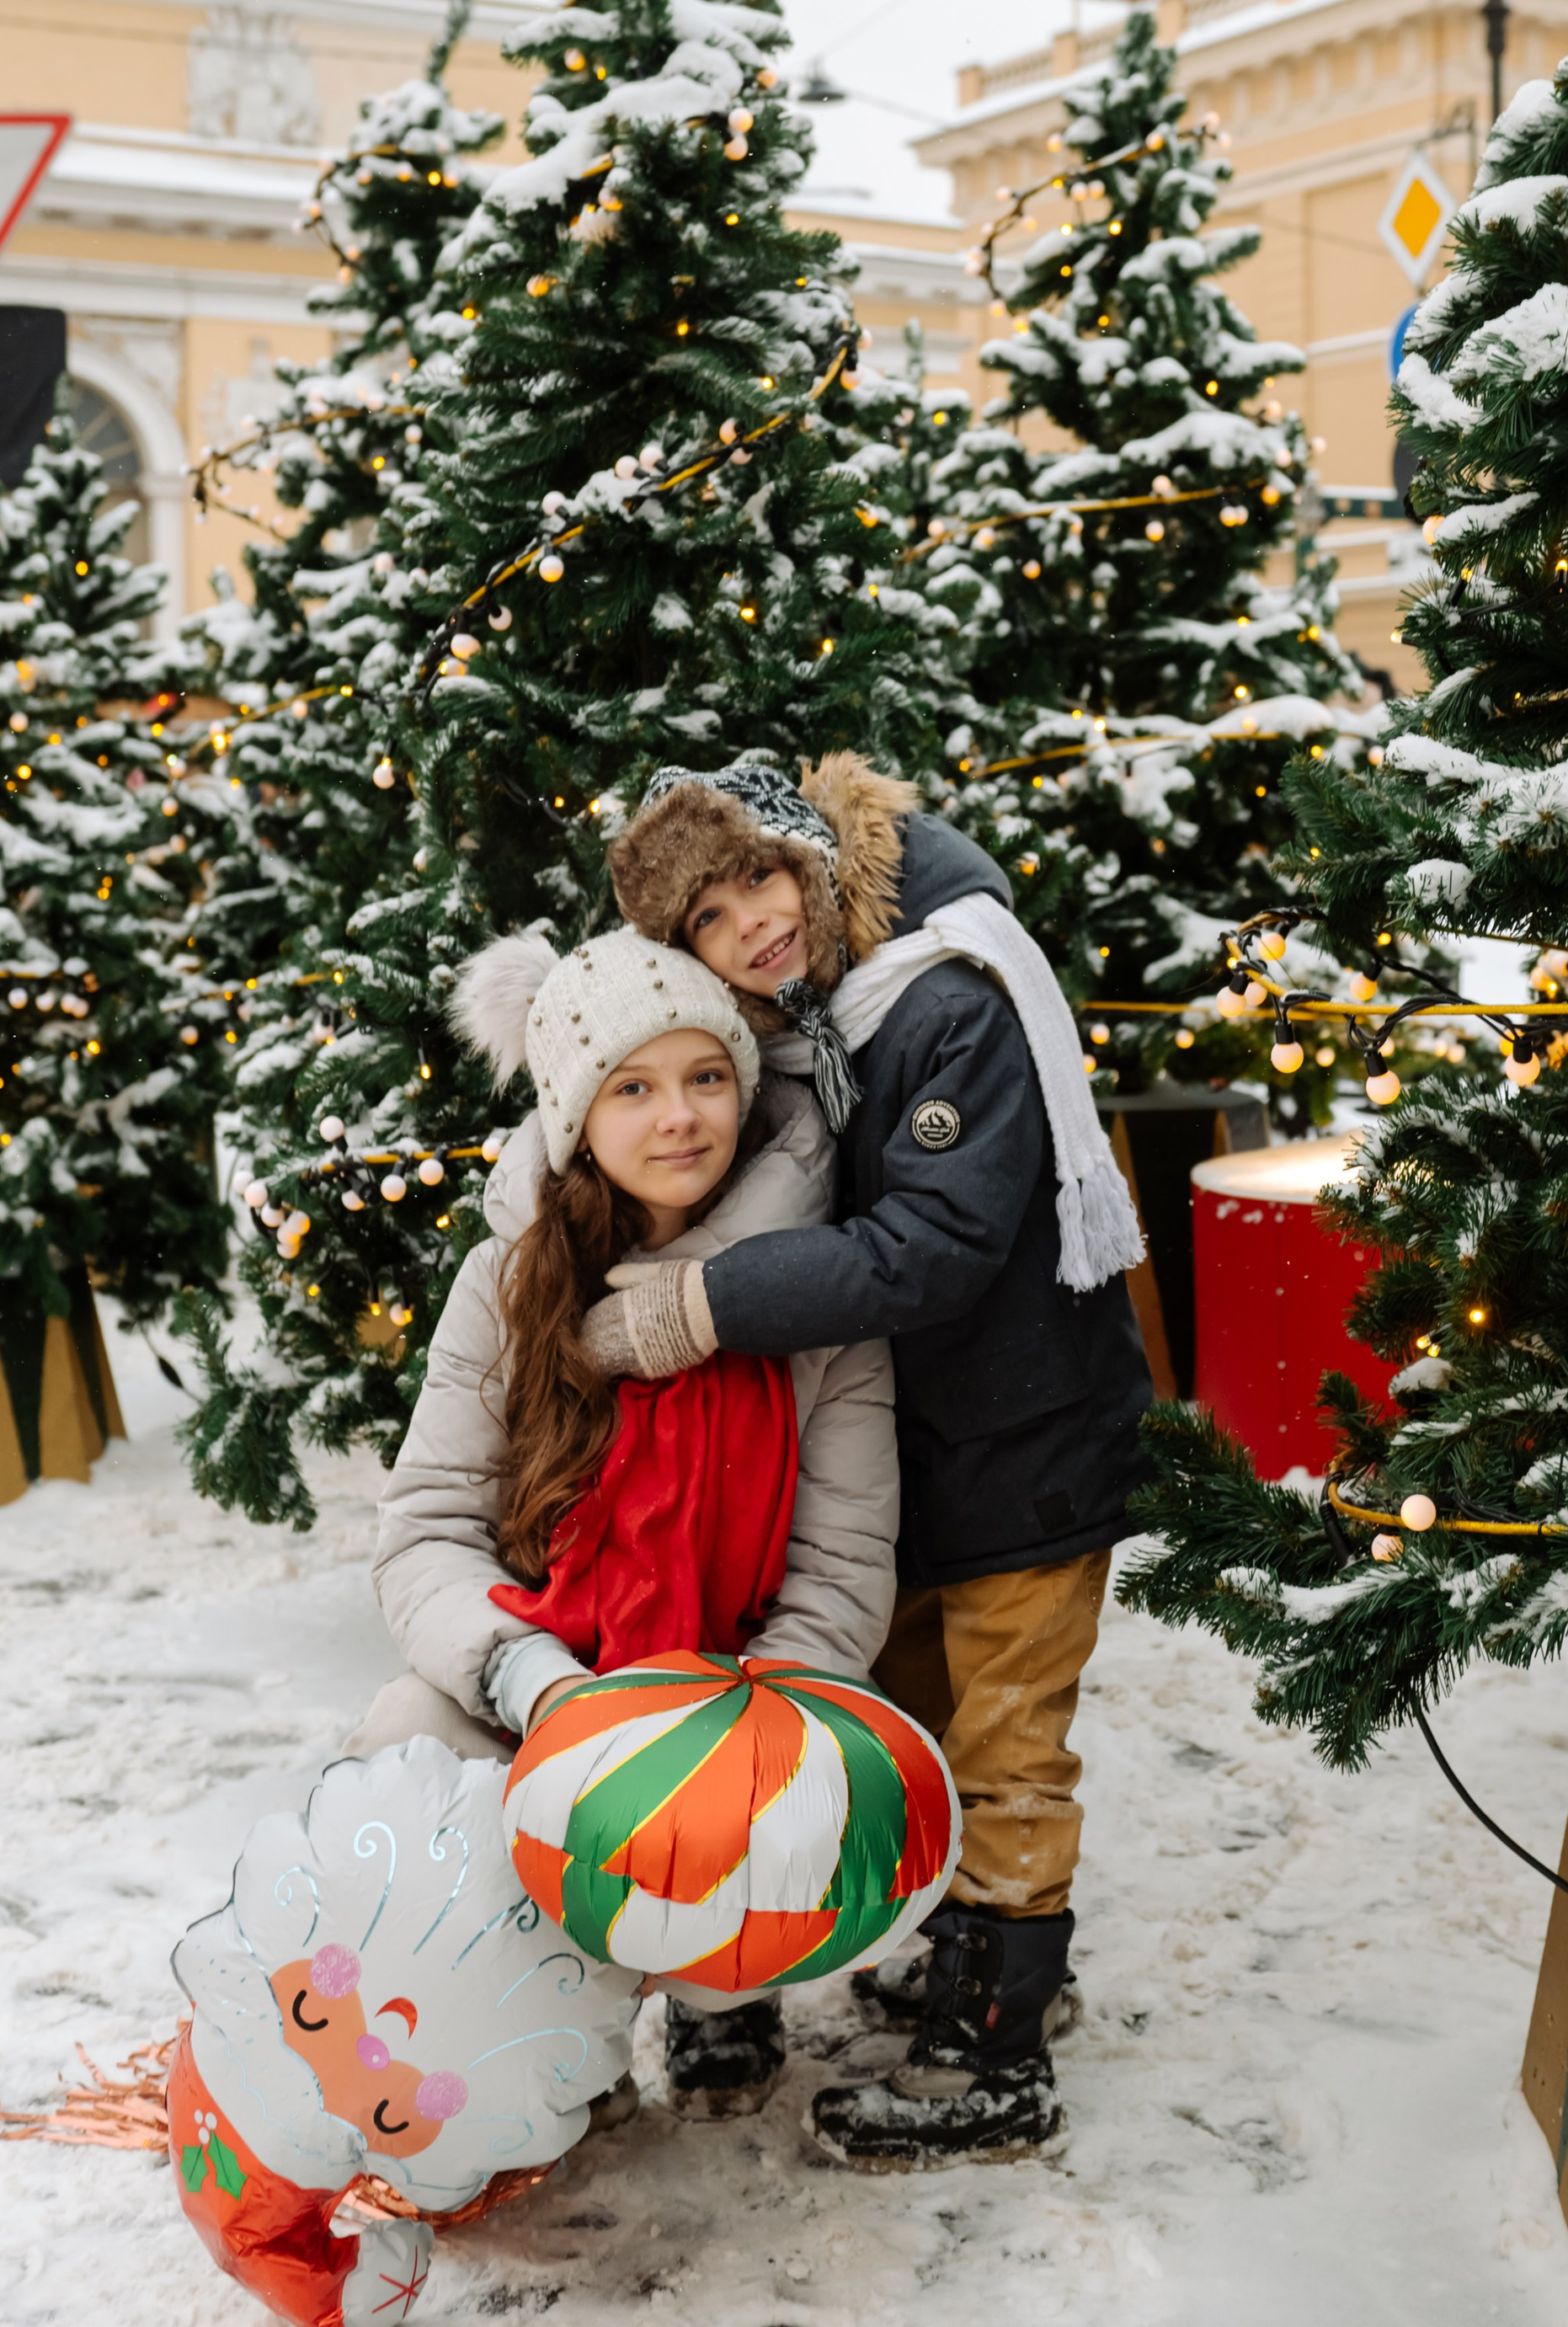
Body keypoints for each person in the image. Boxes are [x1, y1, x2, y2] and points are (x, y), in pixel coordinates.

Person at [601, 751, 1155, 2168]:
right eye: (711, 926)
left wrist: (711, 1305)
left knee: (1009, 1743)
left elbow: (940, 1247)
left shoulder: (946, 999)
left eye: (757, 885)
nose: (752, 930)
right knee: (915, 1721)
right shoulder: (815, 1026)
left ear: (813, 860)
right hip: (935, 1460)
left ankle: (999, 2046)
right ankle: (988, 1949)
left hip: (1028, 1446)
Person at [346, 923, 899, 2120]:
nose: (679, 1119)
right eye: (633, 1089)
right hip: (552, 1675)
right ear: (574, 1117)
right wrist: (534, 1682)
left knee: (757, 1815)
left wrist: (736, 1739)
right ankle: (523, 2009)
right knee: (403, 1742)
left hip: (721, 1700)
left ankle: (719, 1981)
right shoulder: (510, 1281)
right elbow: (425, 1526)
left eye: (707, 1078)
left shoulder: (815, 1300)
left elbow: (842, 1563)